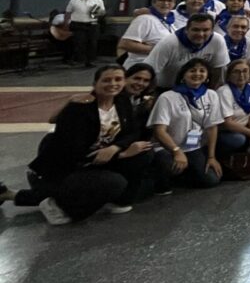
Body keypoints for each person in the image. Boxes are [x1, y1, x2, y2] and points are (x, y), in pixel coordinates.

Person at [1, 66, 154, 225]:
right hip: (68, 166)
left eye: (118, 79)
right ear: (95, 83)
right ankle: (60, 207)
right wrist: (120, 155)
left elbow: (131, 133)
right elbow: (72, 149)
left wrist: (115, 148)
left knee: (144, 154)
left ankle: (118, 200)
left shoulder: (122, 102)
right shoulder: (80, 108)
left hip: (99, 159)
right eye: (107, 80)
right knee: (114, 181)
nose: (113, 84)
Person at [149, 58, 226, 191]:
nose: (197, 74)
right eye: (192, 70)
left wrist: (211, 157)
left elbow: (212, 127)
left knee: (211, 180)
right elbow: (159, 131)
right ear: (183, 76)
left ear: (207, 76)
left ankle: (185, 174)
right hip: (168, 148)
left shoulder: (211, 95)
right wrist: (176, 151)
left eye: (202, 71)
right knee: (169, 168)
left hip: (192, 146)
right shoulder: (167, 97)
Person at [145, 14, 231, 85]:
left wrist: (211, 91)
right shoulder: (169, 42)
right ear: (186, 30)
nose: (200, 34)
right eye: (196, 30)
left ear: (212, 31)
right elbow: (149, 71)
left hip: (199, 89)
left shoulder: (218, 40)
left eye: (205, 30)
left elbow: (218, 70)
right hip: (166, 88)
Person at [215, 59, 250, 158]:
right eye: (236, 72)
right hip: (226, 131)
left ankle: (248, 154)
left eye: (245, 71)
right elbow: (228, 123)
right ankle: (225, 157)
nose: (241, 75)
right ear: (229, 75)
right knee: (239, 139)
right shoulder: (224, 91)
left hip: (244, 128)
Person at [118, 0, 180, 68]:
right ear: (153, 2)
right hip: (139, 68)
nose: (166, 3)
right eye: (162, 0)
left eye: (170, 1)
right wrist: (157, 49)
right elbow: (125, 44)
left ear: (174, 4)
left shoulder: (171, 24)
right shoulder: (145, 19)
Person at [65, 0, 106, 67]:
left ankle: (90, 61)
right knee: (79, 42)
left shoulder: (98, 1)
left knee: (92, 43)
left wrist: (97, 11)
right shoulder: (74, 0)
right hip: (78, 24)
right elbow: (68, 12)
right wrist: (66, 23)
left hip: (92, 24)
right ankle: (80, 60)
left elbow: (103, 12)